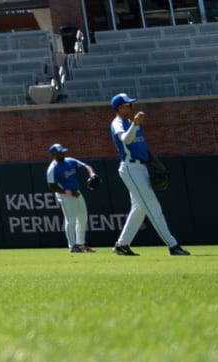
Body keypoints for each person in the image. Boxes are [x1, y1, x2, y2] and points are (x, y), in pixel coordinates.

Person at [108, 94, 188, 256]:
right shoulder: (118, 123)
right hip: (130, 168)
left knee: (139, 208)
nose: (131, 107)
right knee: (153, 206)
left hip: (141, 167)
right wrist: (135, 124)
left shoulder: (132, 123)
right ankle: (173, 245)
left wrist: (157, 164)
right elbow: (125, 139)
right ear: (119, 108)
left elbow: (143, 148)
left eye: (131, 104)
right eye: (128, 105)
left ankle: (122, 245)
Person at [45, 143, 98, 253]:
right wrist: (67, 192)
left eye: (63, 152)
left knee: (83, 217)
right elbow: (52, 186)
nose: (63, 154)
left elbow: (86, 166)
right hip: (64, 194)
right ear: (54, 154)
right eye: (60, 153)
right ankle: (73, 246)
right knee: (71, 219)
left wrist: (92, 174)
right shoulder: (52, 168)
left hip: (76, 191)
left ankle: (81, 244)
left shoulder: (70, 161)